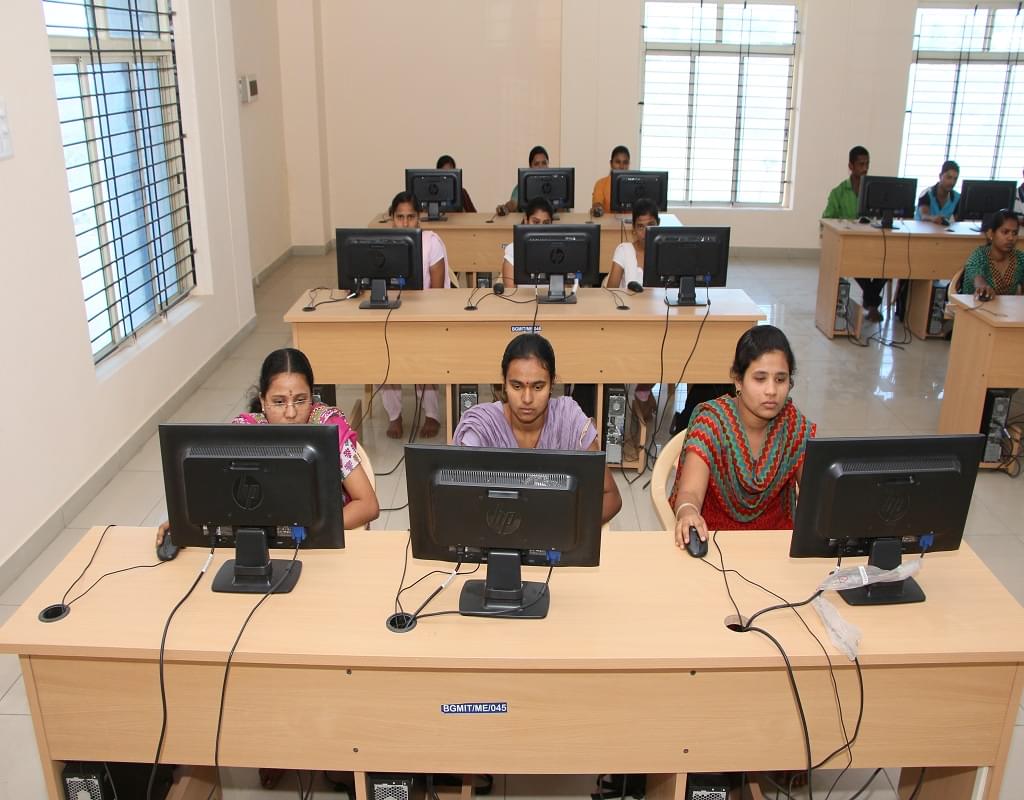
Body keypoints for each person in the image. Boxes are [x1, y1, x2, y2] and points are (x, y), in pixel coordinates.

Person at [155, 348, 380, 549]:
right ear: (262, 401)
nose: (291, 413)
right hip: (261, 545)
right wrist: (184, 524)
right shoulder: (245, 433)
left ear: (312, 397)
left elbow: (367, 505)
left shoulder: (330, 430)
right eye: (279, 402)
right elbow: (219, 498)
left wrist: (304, 533)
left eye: (301, 400)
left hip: (321, 542)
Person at [453, 333, 622, 524]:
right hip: (496, 538)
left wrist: (560, 530)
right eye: (516, 386)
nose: (527, 399)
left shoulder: (568, 420)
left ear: (552, 385)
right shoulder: (482, 427)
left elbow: (610, 497)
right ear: (504, 384)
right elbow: (459, 502)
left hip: (557, 539)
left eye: (538, 387)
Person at [670, 325, 815, 547]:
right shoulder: (712, 422)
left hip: (778, 548)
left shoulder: (793, 425)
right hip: (715, 545)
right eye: (760, 378)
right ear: (738, 380)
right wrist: (688, 512)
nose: (771, 391)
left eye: (780, 379)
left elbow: (817, 495)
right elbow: (689, 493)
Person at [381, 191, 450, 439]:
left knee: (422, 351)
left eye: (411, 217)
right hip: (392, 313)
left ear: (419, 218)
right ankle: (394, 415)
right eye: (400, 217)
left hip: (425, 315)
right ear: (392, 218)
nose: (406, 223)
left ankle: (431, 414)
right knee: (384, 348)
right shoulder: (382, 244)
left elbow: (439, 291)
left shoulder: (431, 242)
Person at [608, 197, 658, 420]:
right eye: (640, 226)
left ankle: (643, 389)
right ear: (633, 228)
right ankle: (642, 394)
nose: (646, 231)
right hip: (627, 318)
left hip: (657, 317)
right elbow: (610, 288)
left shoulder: (666, 251)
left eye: (651, 226)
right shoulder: (624, 250)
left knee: (669, 347)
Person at [822, 145, 886, 322]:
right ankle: (872, 304)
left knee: (889, 265)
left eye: (867, 164)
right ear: (851, 166)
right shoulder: (839, 192)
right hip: (850, 244)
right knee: (857, 263)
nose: (864, 168)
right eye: (860, 164)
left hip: (874, 242)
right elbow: (827, 219)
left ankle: (870, 300)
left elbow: (883, 215)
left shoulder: (876, 191)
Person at [962, 208, 1024, 300]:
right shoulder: (979, 255)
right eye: (1005, 232)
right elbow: (977, 277)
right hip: (973, 310)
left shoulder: (1019, 258)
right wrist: (983, 287)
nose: (1011, 238)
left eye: (1014, 233)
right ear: (991, 233)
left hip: (1007, 312)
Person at [499, 195, 554, 287]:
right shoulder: (513, 250)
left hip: (552, 300)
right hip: (520, 300)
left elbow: (565, 288)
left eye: (546, 223)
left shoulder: (558, 249)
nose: (540, 228)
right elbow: (510, 291)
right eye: (536, 222)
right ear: (526, 220)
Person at [497, 145, 549, 215]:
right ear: (530, 167)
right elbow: (513, 204)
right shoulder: (522, 186)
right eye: (536, 164)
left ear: (548, 165)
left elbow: (564, 212)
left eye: (544, 163)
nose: (541, 167)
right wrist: (505, 207)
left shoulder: (557, 185)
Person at [591, 145, 631, 216]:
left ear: (629, 164)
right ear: (611, 164)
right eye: (618, 162)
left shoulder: (634, 183)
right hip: (607, 225)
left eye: (625, 163)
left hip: (630, 226)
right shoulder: (601, 184)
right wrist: (597, 208)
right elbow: (597, 204)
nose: (621, 167)